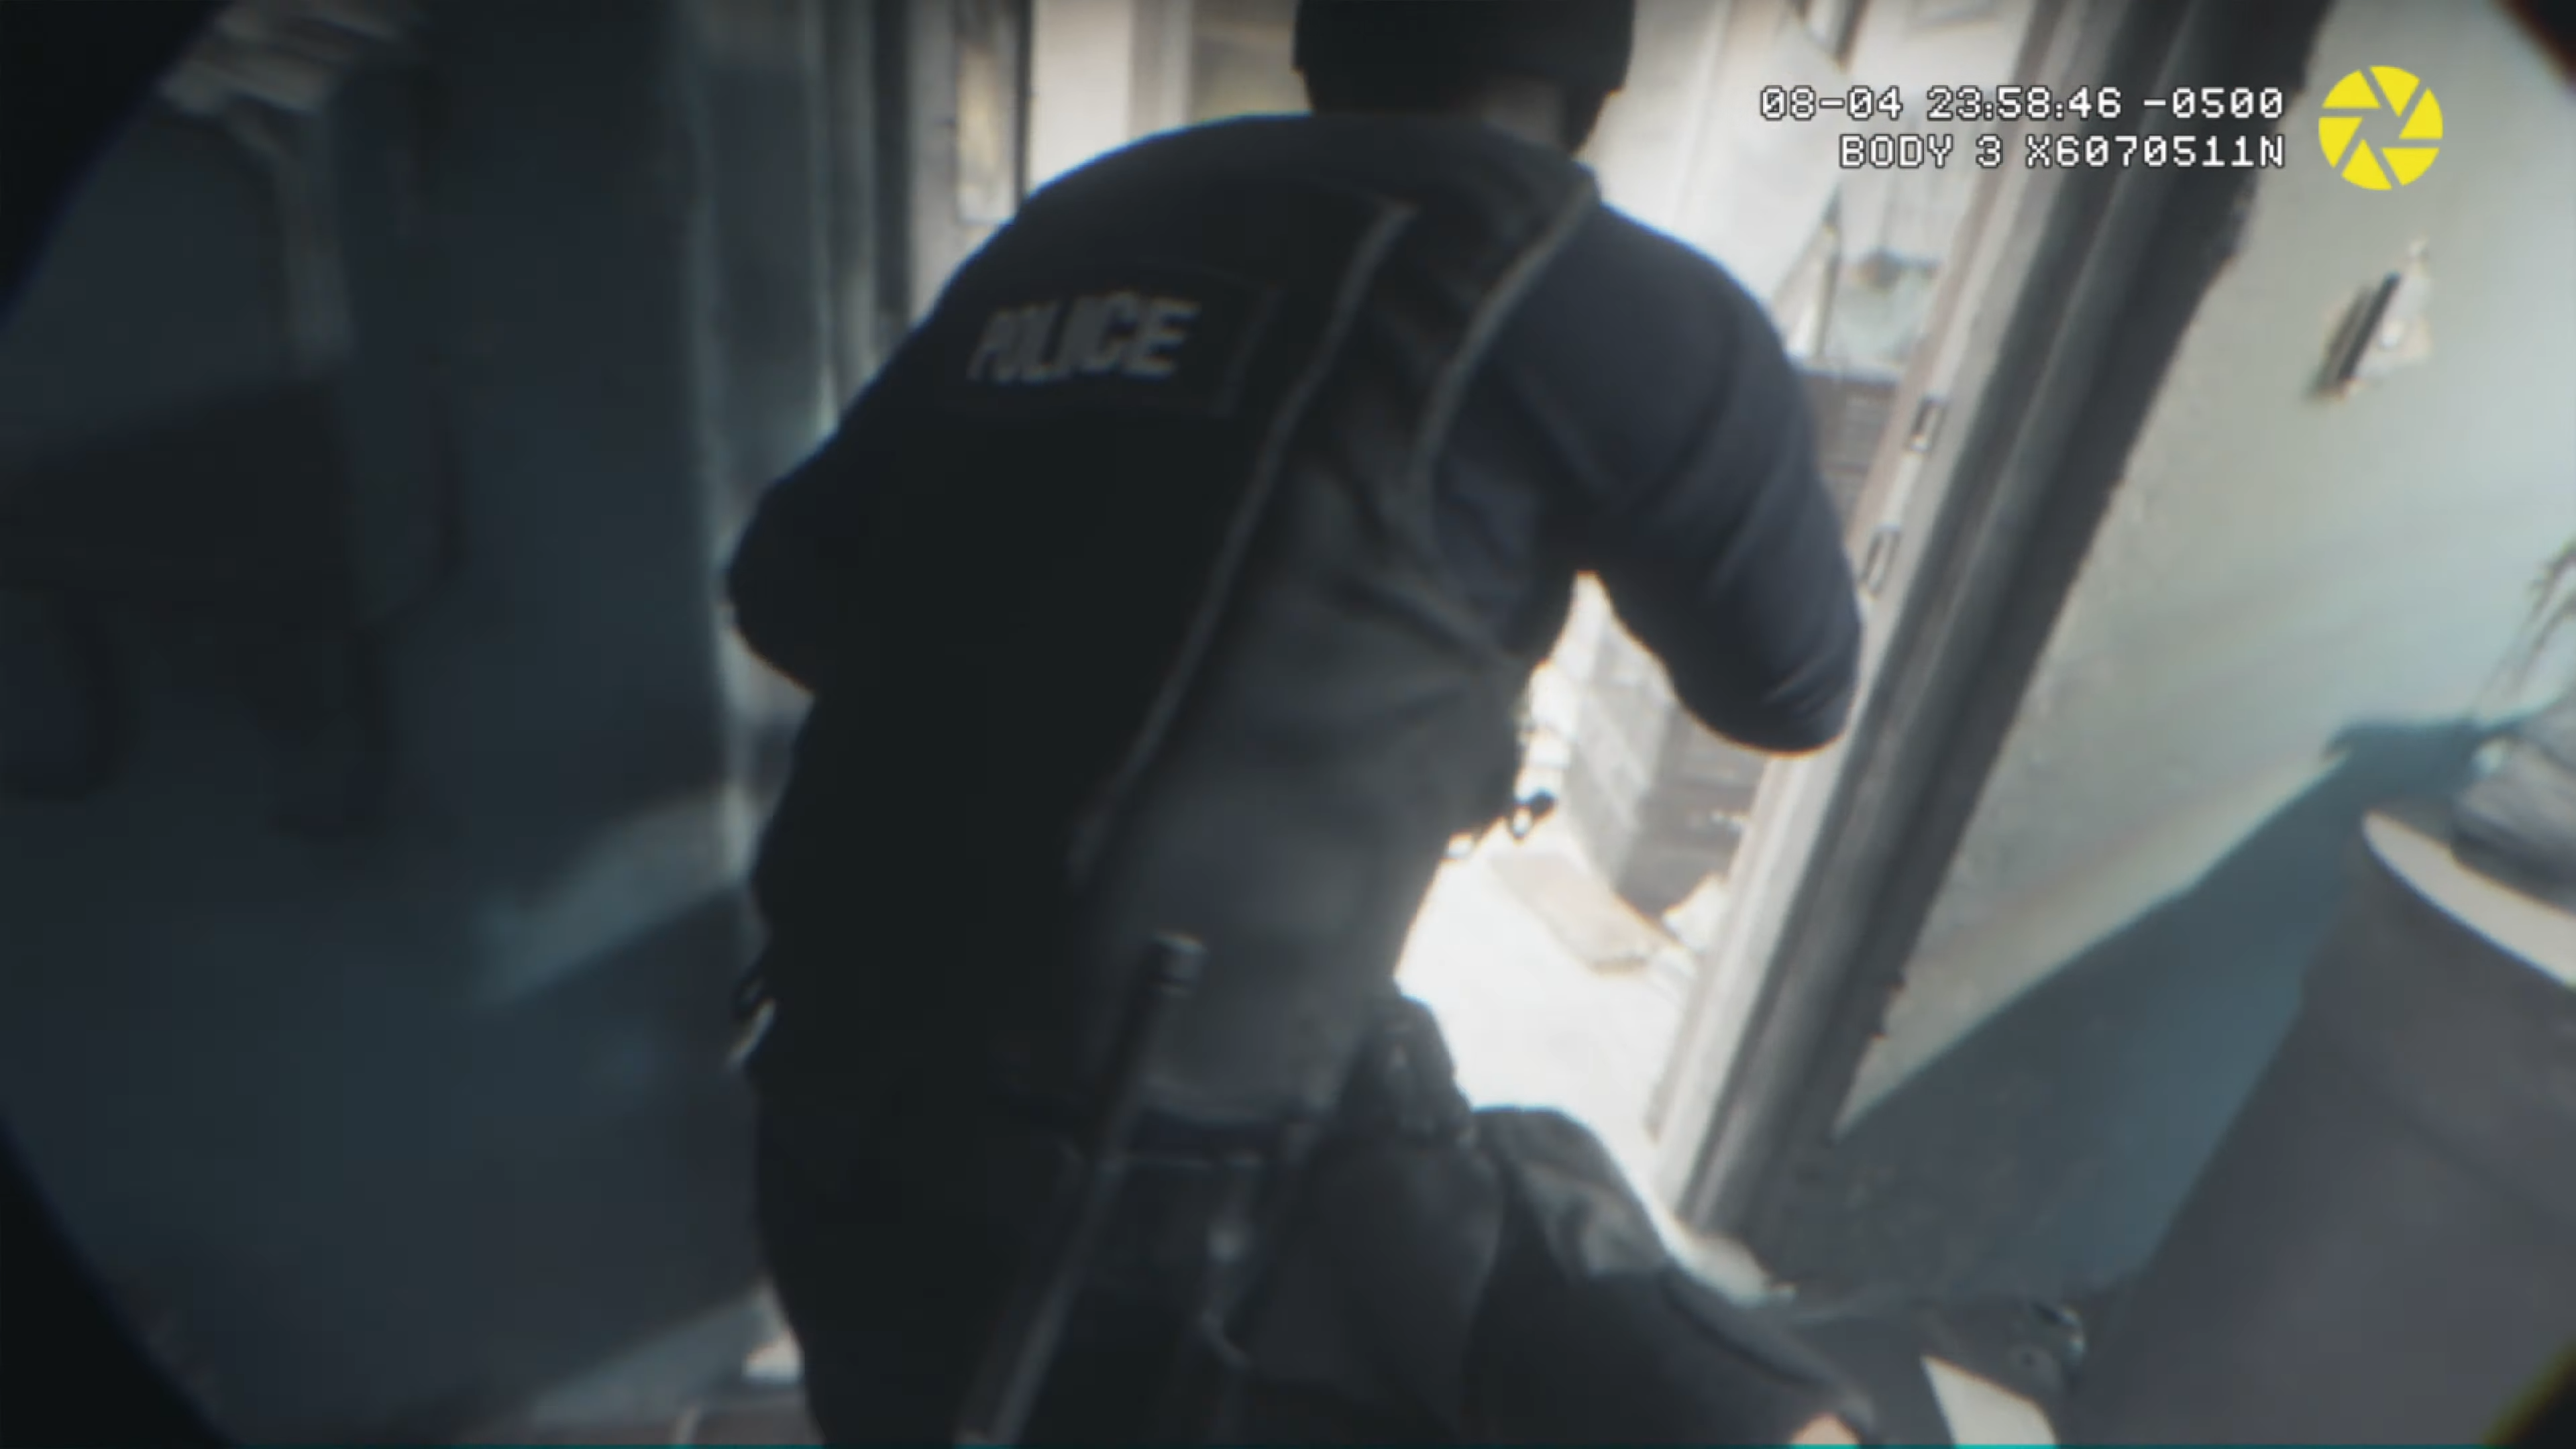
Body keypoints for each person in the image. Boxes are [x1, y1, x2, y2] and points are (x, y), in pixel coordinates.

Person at [726, 1, 1864, 1441]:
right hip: (1144, 1176)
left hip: (833, 1057)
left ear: (1320, 46)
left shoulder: (1088, 220)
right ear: (1594, 82)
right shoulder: (1616, 302)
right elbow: (1788, 688)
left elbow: (788, 590)